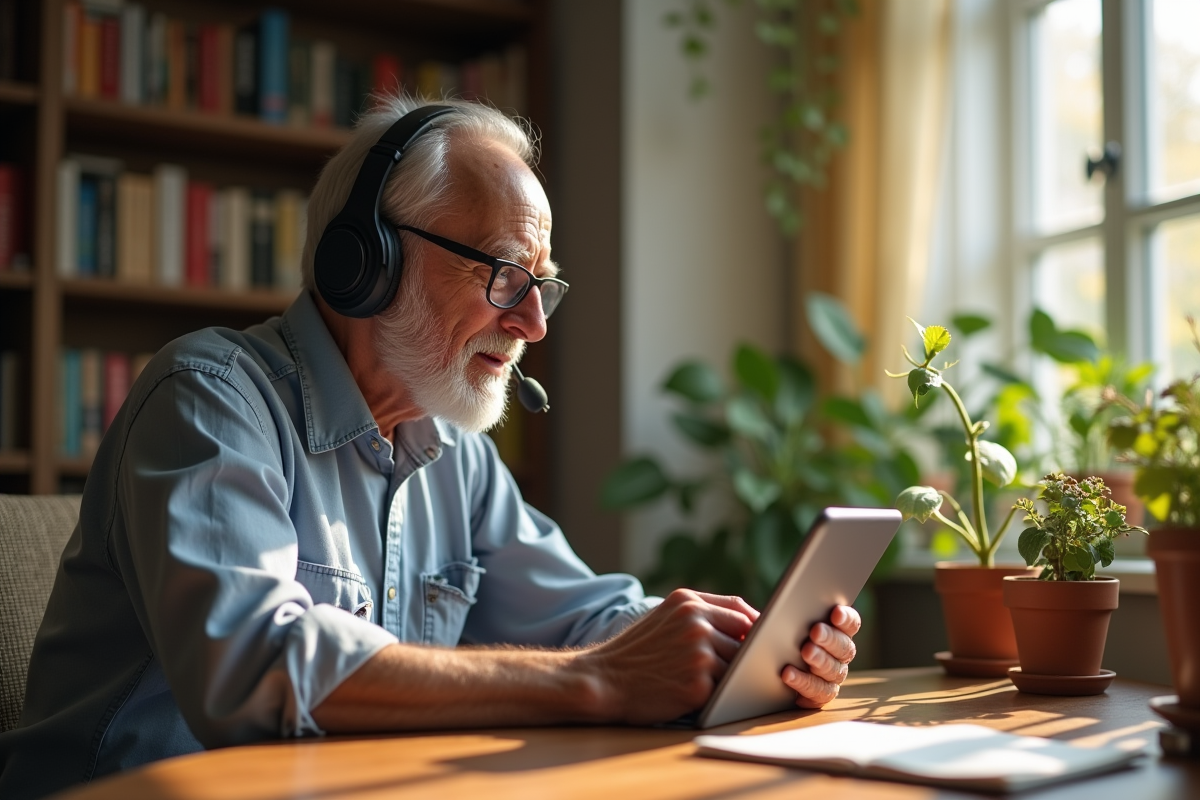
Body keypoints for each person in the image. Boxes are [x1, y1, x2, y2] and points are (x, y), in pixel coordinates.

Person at [0, 97, 861, 798]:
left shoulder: (455, 450)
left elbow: (587, 618)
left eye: (542, 287)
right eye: (502, 274)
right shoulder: (209, 397)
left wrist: (726, 653)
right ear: (365, 261)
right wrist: (598, 679)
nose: (531, 323)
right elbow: (249, 670)